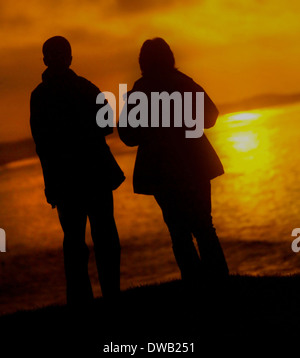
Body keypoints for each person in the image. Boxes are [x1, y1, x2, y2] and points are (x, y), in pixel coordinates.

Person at [118, 37, 228, 286]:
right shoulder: (184, 83)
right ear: (170, 58)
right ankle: (220, 283)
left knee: (178, 231)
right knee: (203, 226)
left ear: (142, 63)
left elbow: (127, 135)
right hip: (195, 164)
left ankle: (195, 284)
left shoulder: (140, 92)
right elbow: (211, 116)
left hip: (160, 169)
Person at [30, 36, 123, 307]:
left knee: (74, 242)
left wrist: (51, 184)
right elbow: (107, 128)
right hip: (95, 174)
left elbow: (42, 144)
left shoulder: (40, 96)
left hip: (65, 178)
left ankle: (81, 301)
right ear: (69, 58)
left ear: (46, 60)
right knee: (105, 236)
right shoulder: (87, 88)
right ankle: (112, 296)